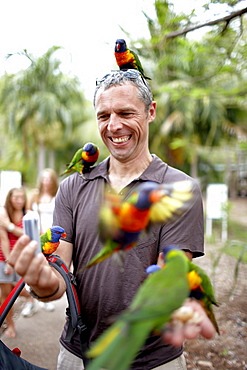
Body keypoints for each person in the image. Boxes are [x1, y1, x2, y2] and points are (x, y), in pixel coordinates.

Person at [9, 70, 216, 369]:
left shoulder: (180, 189)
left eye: (125, 112)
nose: (114, 125)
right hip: (78, 353)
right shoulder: (73, 185)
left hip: (152, 361)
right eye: (103, 115)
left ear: (151, 112)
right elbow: (58, 275)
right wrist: (43, 283)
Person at [0, 187, 37, 337]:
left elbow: (30, 234)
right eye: (16, 197)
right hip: (5, 257)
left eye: (22, 197)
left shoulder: (27, 214)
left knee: (18, 288)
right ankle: (11, 325)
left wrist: (10, 226)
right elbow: (3, 239)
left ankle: (30, 298)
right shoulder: (3, 213)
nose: (19, 200)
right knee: (6, 293)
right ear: (10, 198)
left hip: (23, 258)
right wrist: (9, 261)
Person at [27, 168, 59, 312]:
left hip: (50, 237)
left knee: (48, 266)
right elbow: (27, 213)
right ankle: (30, 301)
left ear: (53, 181)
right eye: (44, 178)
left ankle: (46, 298)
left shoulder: (57, 195)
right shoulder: (34, 195)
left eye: (49, 179)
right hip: (36, 235)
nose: (46, 181)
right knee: (33, 266)